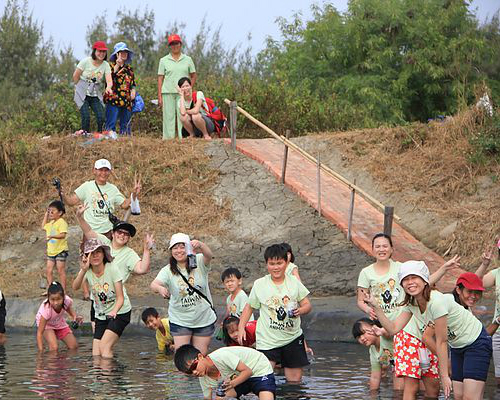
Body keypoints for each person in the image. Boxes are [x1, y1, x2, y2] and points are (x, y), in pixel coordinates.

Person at [366, 260, 492, 400]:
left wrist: (444, 376)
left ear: (425, 280)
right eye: (406, 279)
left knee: (470, 397)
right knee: (459, 396)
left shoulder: (436, 302)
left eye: (414, 278)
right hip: (458, 346)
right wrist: (376, 306)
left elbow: (441, 341)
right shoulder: (411, 303)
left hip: (476, 343)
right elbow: (394, 328)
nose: (410, 282)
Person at [357, 233, 459, 398]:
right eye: (377, 246)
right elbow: (361, 300)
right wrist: (371, 308)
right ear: (372, 249)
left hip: (418, 328)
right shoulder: (367, 273)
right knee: (406, 383)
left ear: (392, 249)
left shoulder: (403, 270)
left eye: (385, 246)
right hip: (395, 328)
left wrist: (444, 269)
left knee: (431, 385)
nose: (381, 249)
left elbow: (425, 281)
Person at [60, 158, 140, 299]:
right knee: (86, 260)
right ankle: (88, 294)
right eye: (100, 169)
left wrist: (134, 194)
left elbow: (125, 204)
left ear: (109, 172)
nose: (103, 173)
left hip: (108, 233)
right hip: (89, 231)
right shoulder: (87, 186)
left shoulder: (112, 189)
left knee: (107, 263)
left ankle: (107, 289)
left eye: (106, 170)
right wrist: (62, 193)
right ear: (94, 171)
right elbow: (71, 201)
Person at [238, 244, 312, 383]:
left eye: (279, 263)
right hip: (267, 340)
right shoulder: (260, 284)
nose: (276, 267)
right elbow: (249, 307)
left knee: (294, 383)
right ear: (266, 264)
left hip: (292, 338)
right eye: (272, 264)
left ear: (286, 262)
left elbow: (307, 305)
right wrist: (241, 327)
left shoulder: (294, 283)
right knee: (263, 378)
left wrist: (300, 310)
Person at [150, 233, 215, 355]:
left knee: (200, 357)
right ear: (171, 251)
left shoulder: (199, 261)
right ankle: (181, 375)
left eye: (182, 246)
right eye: (175, 248)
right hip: (180, 320)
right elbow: (153, 284)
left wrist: (201, 245)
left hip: (203, 318)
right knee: (182, 357)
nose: (179, 251)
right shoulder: (168, 270)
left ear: (189, 248)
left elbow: (209, 255)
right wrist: (160, 289)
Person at [72, 238, 131, 358]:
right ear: (86, 256)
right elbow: (75, 287)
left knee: (105, 347)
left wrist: (114, 311)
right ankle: (104, 375)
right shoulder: (87, 271)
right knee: (96, 354)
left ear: (104, 253)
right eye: (91, 253)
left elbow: (120, 298)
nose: (95, 256)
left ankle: (108, 375)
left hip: (120, 312)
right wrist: (83, 270)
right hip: (101, 315)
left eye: (98, 252)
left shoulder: (112, 268)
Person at [174, 344, 276, 400]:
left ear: (200, 356)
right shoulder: (204, 379)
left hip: (258, 369)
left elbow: (248, 371)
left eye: (194, 367)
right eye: (190, 372)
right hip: (238, 378)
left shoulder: (222, 356)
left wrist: (232, 384)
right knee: (221, 396)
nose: (194, 372)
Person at [157, 34, 196, 139]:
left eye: (176, 43)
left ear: (180, 44)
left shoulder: (188, 59)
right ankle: (168, 139)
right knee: (168, 117)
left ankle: (182, 138)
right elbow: (160, 79)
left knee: (182, 116)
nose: (175, 46)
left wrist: (188, 89)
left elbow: (193, 75)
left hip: (182, 94)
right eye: (172, 44)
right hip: (167, 92)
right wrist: (159, 96)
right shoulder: (163, 60)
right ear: (170, 46)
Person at [474, 240, 500, 385]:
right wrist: (484, 264)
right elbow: (474, 283)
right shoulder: (497, 273)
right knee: (499, 380)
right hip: (498, 331)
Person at [73, 41, 112, 134]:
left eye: (104, 52)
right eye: (99, 51)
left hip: (95, 93)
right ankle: (84, 135)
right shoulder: (86, 61)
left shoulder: (105, 65)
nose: (101, 54)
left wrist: (108, 88)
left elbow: (109, 80)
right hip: (82, 92)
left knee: (101, 116)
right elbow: (75, 76)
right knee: (86, 116)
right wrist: (80, 88)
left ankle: (99, 135)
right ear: (94, 51)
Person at [352, 317, 395, 392]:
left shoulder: (385, 337)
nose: (362, 338)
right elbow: (375, 377)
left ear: (374, 327)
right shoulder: (373, 351)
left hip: (409, 364)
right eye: (358, 337)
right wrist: (372, 394)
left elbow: (389, 332)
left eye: (363, 333)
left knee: (398, 389)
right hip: (395, 366)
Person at [36, 282, 81, 352]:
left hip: (59, 323)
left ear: (63, 297)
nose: (56, 303)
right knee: (54, 348)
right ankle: (51, 362)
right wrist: (40, 353)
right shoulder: (46, 310)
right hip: (47, 325)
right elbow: (39, 333)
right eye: (52, 300)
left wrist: (74, 316)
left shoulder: (66, 300)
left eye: (58, 299)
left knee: (74, 347)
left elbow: (68, 308)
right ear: (48, 298)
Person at [104, 42, 136, 135]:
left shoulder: (129, 69)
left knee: (125, 126)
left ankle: (125, 142)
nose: (124, 54)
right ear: (116, 54)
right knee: (111, 125)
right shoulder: (109, 66)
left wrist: (133, 91)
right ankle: (110, 141)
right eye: (121, 52)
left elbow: (133, 83)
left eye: (125, 52)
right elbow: (109, 78)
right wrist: (117, 65)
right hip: (113, 99)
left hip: (126, 101)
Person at [41, 200, 69, 291]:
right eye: (49, 211)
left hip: (60, 250)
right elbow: (43, 227)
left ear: (60, 212)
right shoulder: (50, 223)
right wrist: (45, 215)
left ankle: (63, 290)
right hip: (51, 251)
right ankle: (50, 289)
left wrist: (52, 236)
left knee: (61, 270)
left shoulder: (61, 222)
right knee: (48, 270)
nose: (50, 213)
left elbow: (63, 235)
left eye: (52, 211)